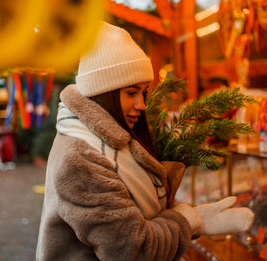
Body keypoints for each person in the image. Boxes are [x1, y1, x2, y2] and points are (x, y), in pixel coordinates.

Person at [36, 21, 254, 261]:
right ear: (104, 92)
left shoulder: (110, 139)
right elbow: (132, 250)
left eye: (143, 92)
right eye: (131, 93)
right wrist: (191, 221)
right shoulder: (80, 158)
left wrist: (191, 217)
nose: (141, 104)